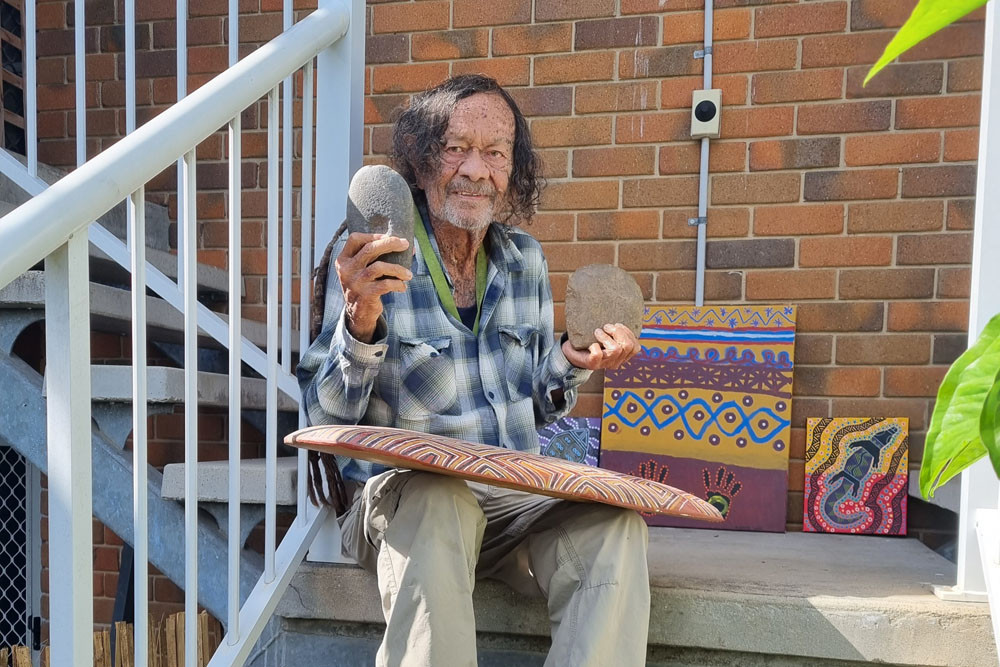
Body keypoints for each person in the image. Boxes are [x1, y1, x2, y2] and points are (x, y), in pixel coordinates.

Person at [297, 74, 650, 667]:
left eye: (495, 152)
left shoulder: (524, 261)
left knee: (615, 526)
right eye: (456, 147)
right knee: (441, 497)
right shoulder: (372, 260)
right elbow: (323, 417)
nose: (476, 169)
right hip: (403, 503)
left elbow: (539, 400)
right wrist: (359, 320)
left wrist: (571, 362)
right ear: (421, 156)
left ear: (514, 169)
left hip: (511, 497)